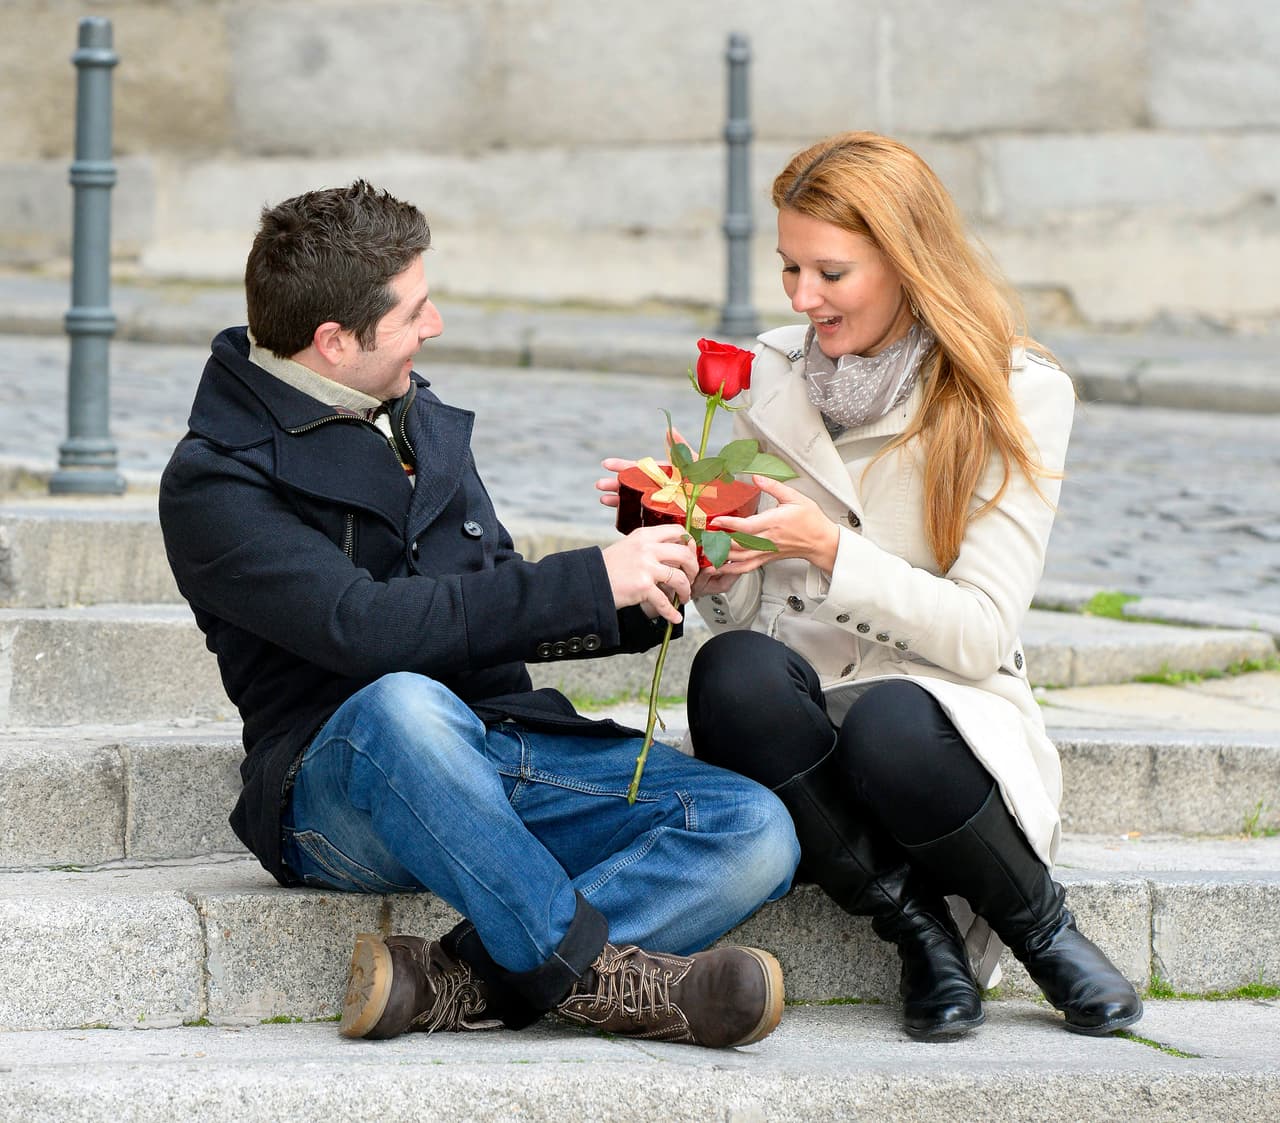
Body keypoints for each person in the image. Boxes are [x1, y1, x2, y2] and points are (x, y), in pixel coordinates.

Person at [158, 180, 800, 1049]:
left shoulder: (421, 419)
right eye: (416, 310)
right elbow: (366, 628)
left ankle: (450, 980)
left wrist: (660, 567)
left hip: (502, 746)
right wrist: (584, 579)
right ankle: (613, 981)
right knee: (403, 704)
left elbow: (495, 593)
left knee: (754, 828)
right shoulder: (217, 478)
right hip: (344, 783)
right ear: (334, 340)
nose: (437, 327)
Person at [600, 132, 1142, 1042]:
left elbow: (981, 631)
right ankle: (916, 928)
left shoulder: (1015, 390)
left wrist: (828, 550)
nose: (803, 298)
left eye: (831, 272)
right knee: (729, 666)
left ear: (905, 262)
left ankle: (1041, 926)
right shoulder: (770, 375)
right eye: (790, 269)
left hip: (939, 712)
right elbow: (744, 615)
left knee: (891, 716)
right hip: (800, 718)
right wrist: (701, 546)